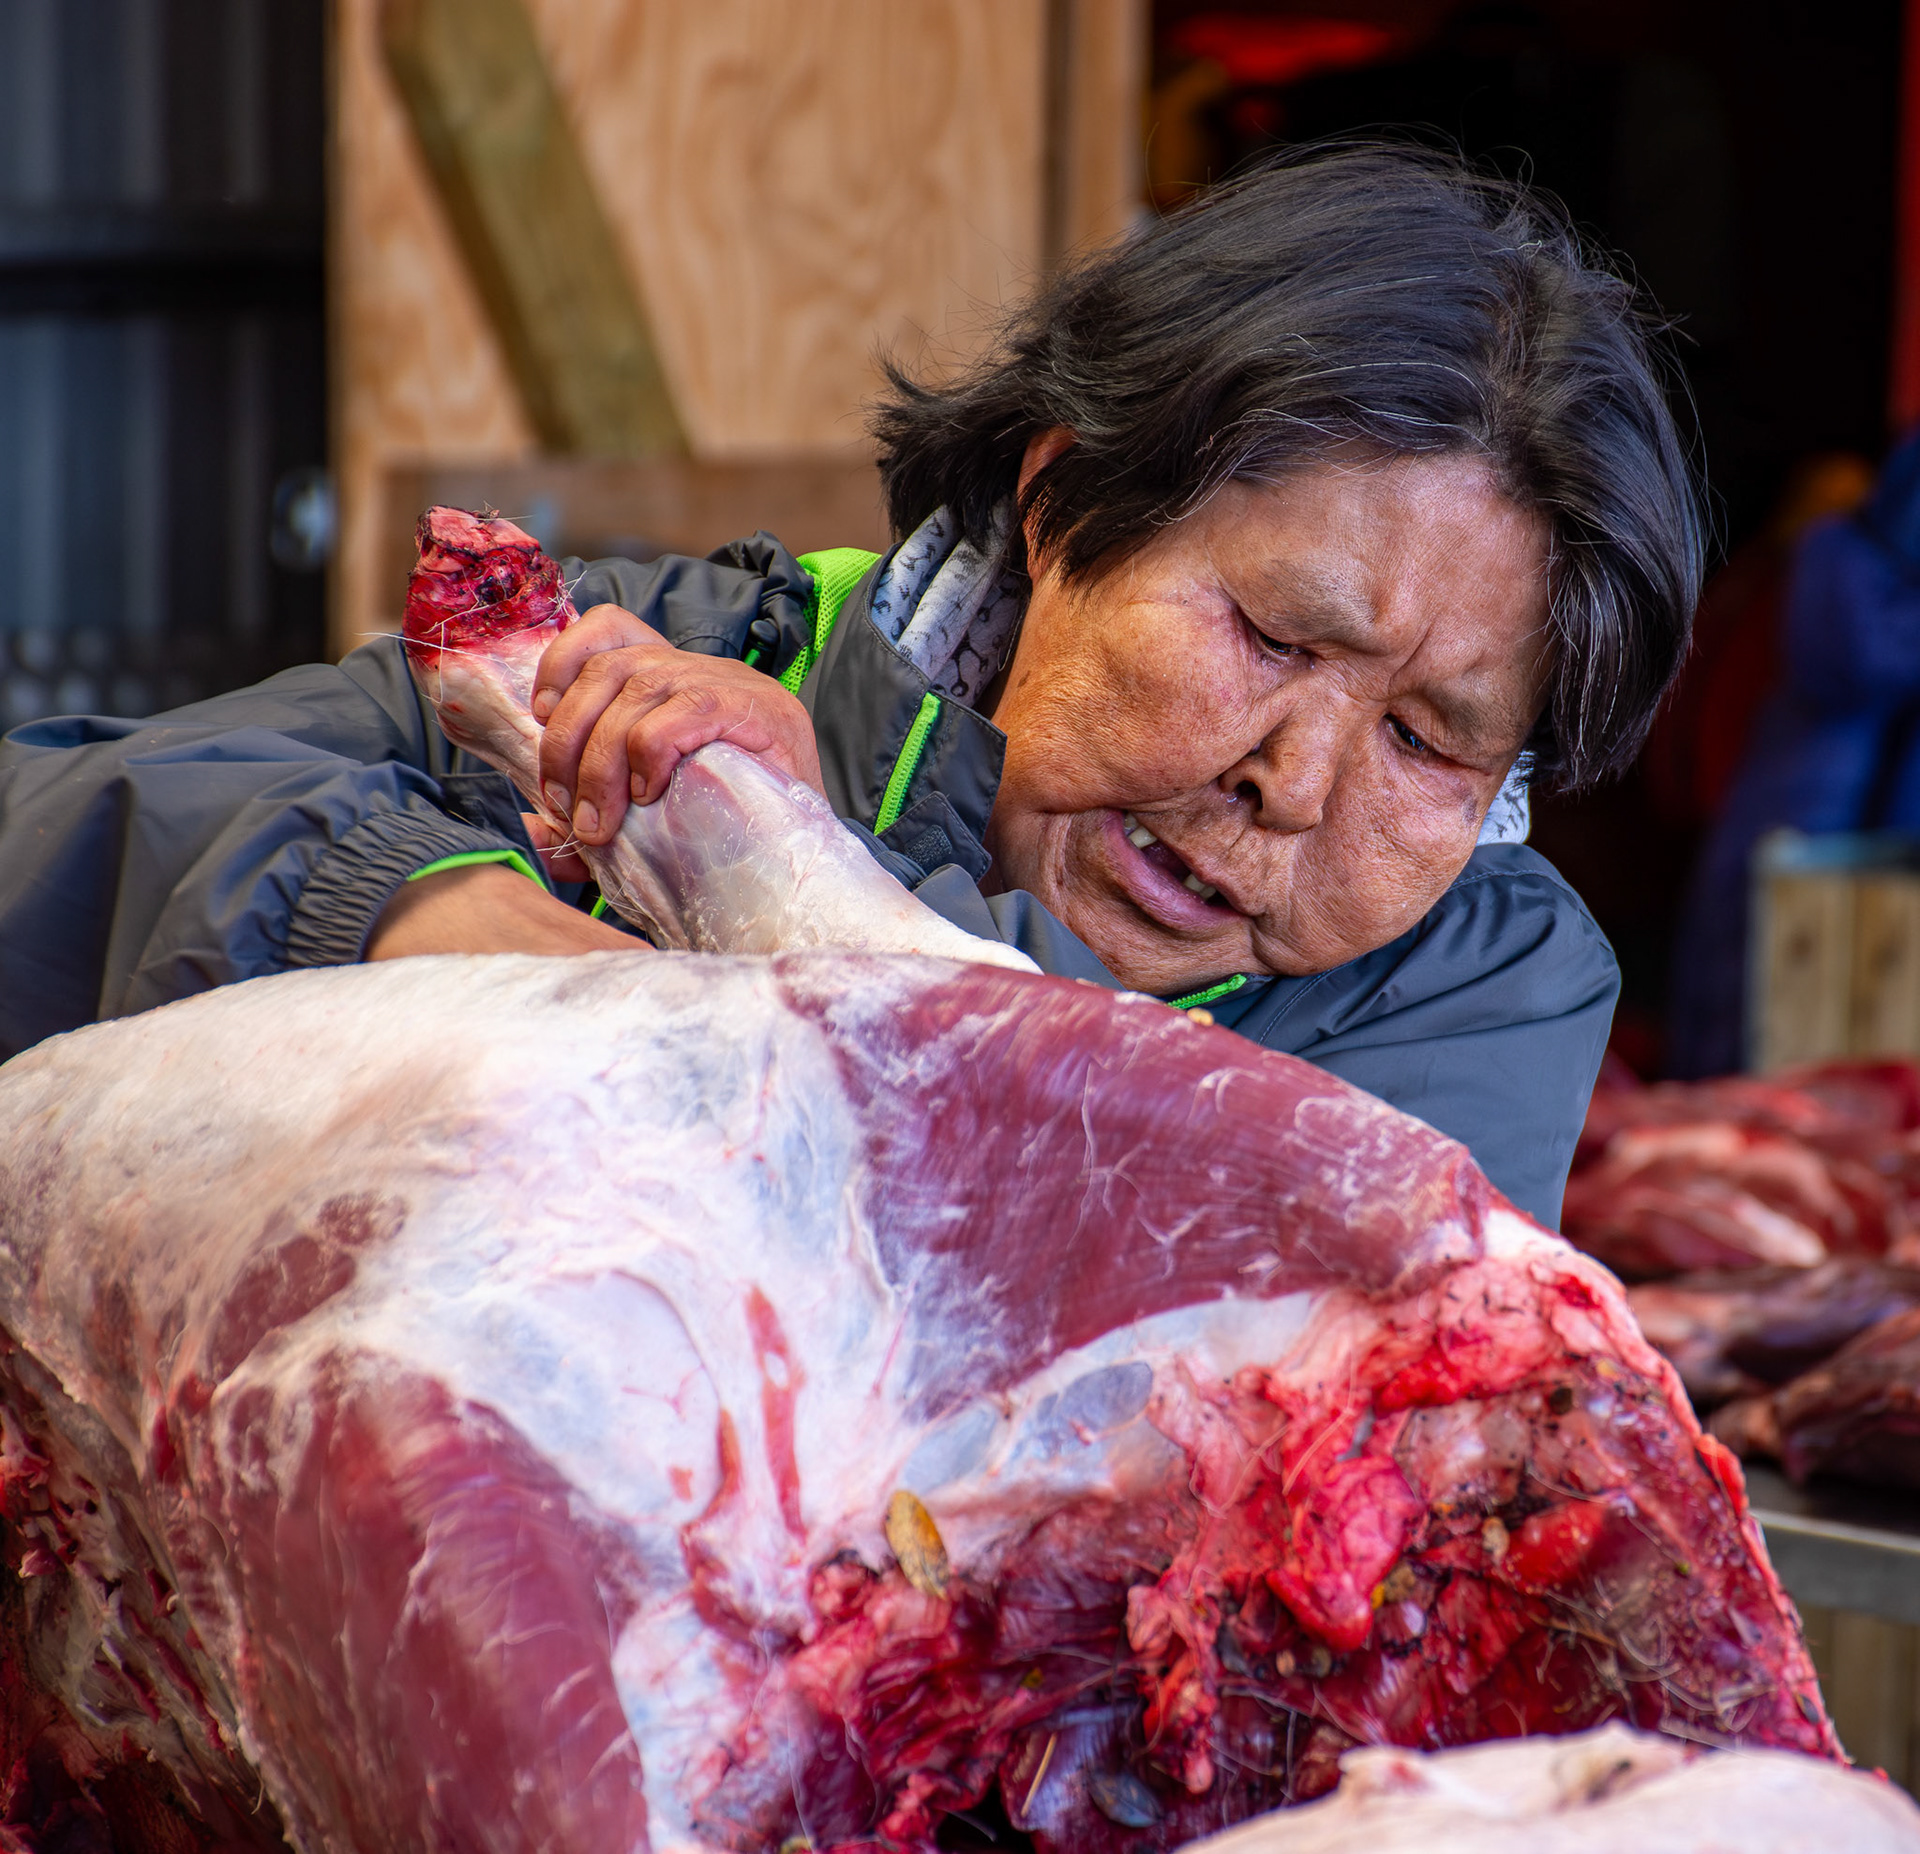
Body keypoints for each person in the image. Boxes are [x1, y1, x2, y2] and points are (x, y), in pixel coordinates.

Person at [0, 145, 1700, 1226]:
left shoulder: (1484, 985)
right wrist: (431, 910)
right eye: (1272, 636)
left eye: (1425, 738)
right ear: (1062, 503)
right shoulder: (648, 679)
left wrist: (778, 880)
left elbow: (1155, 1264)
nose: (1296, 783)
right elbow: (46, 827)